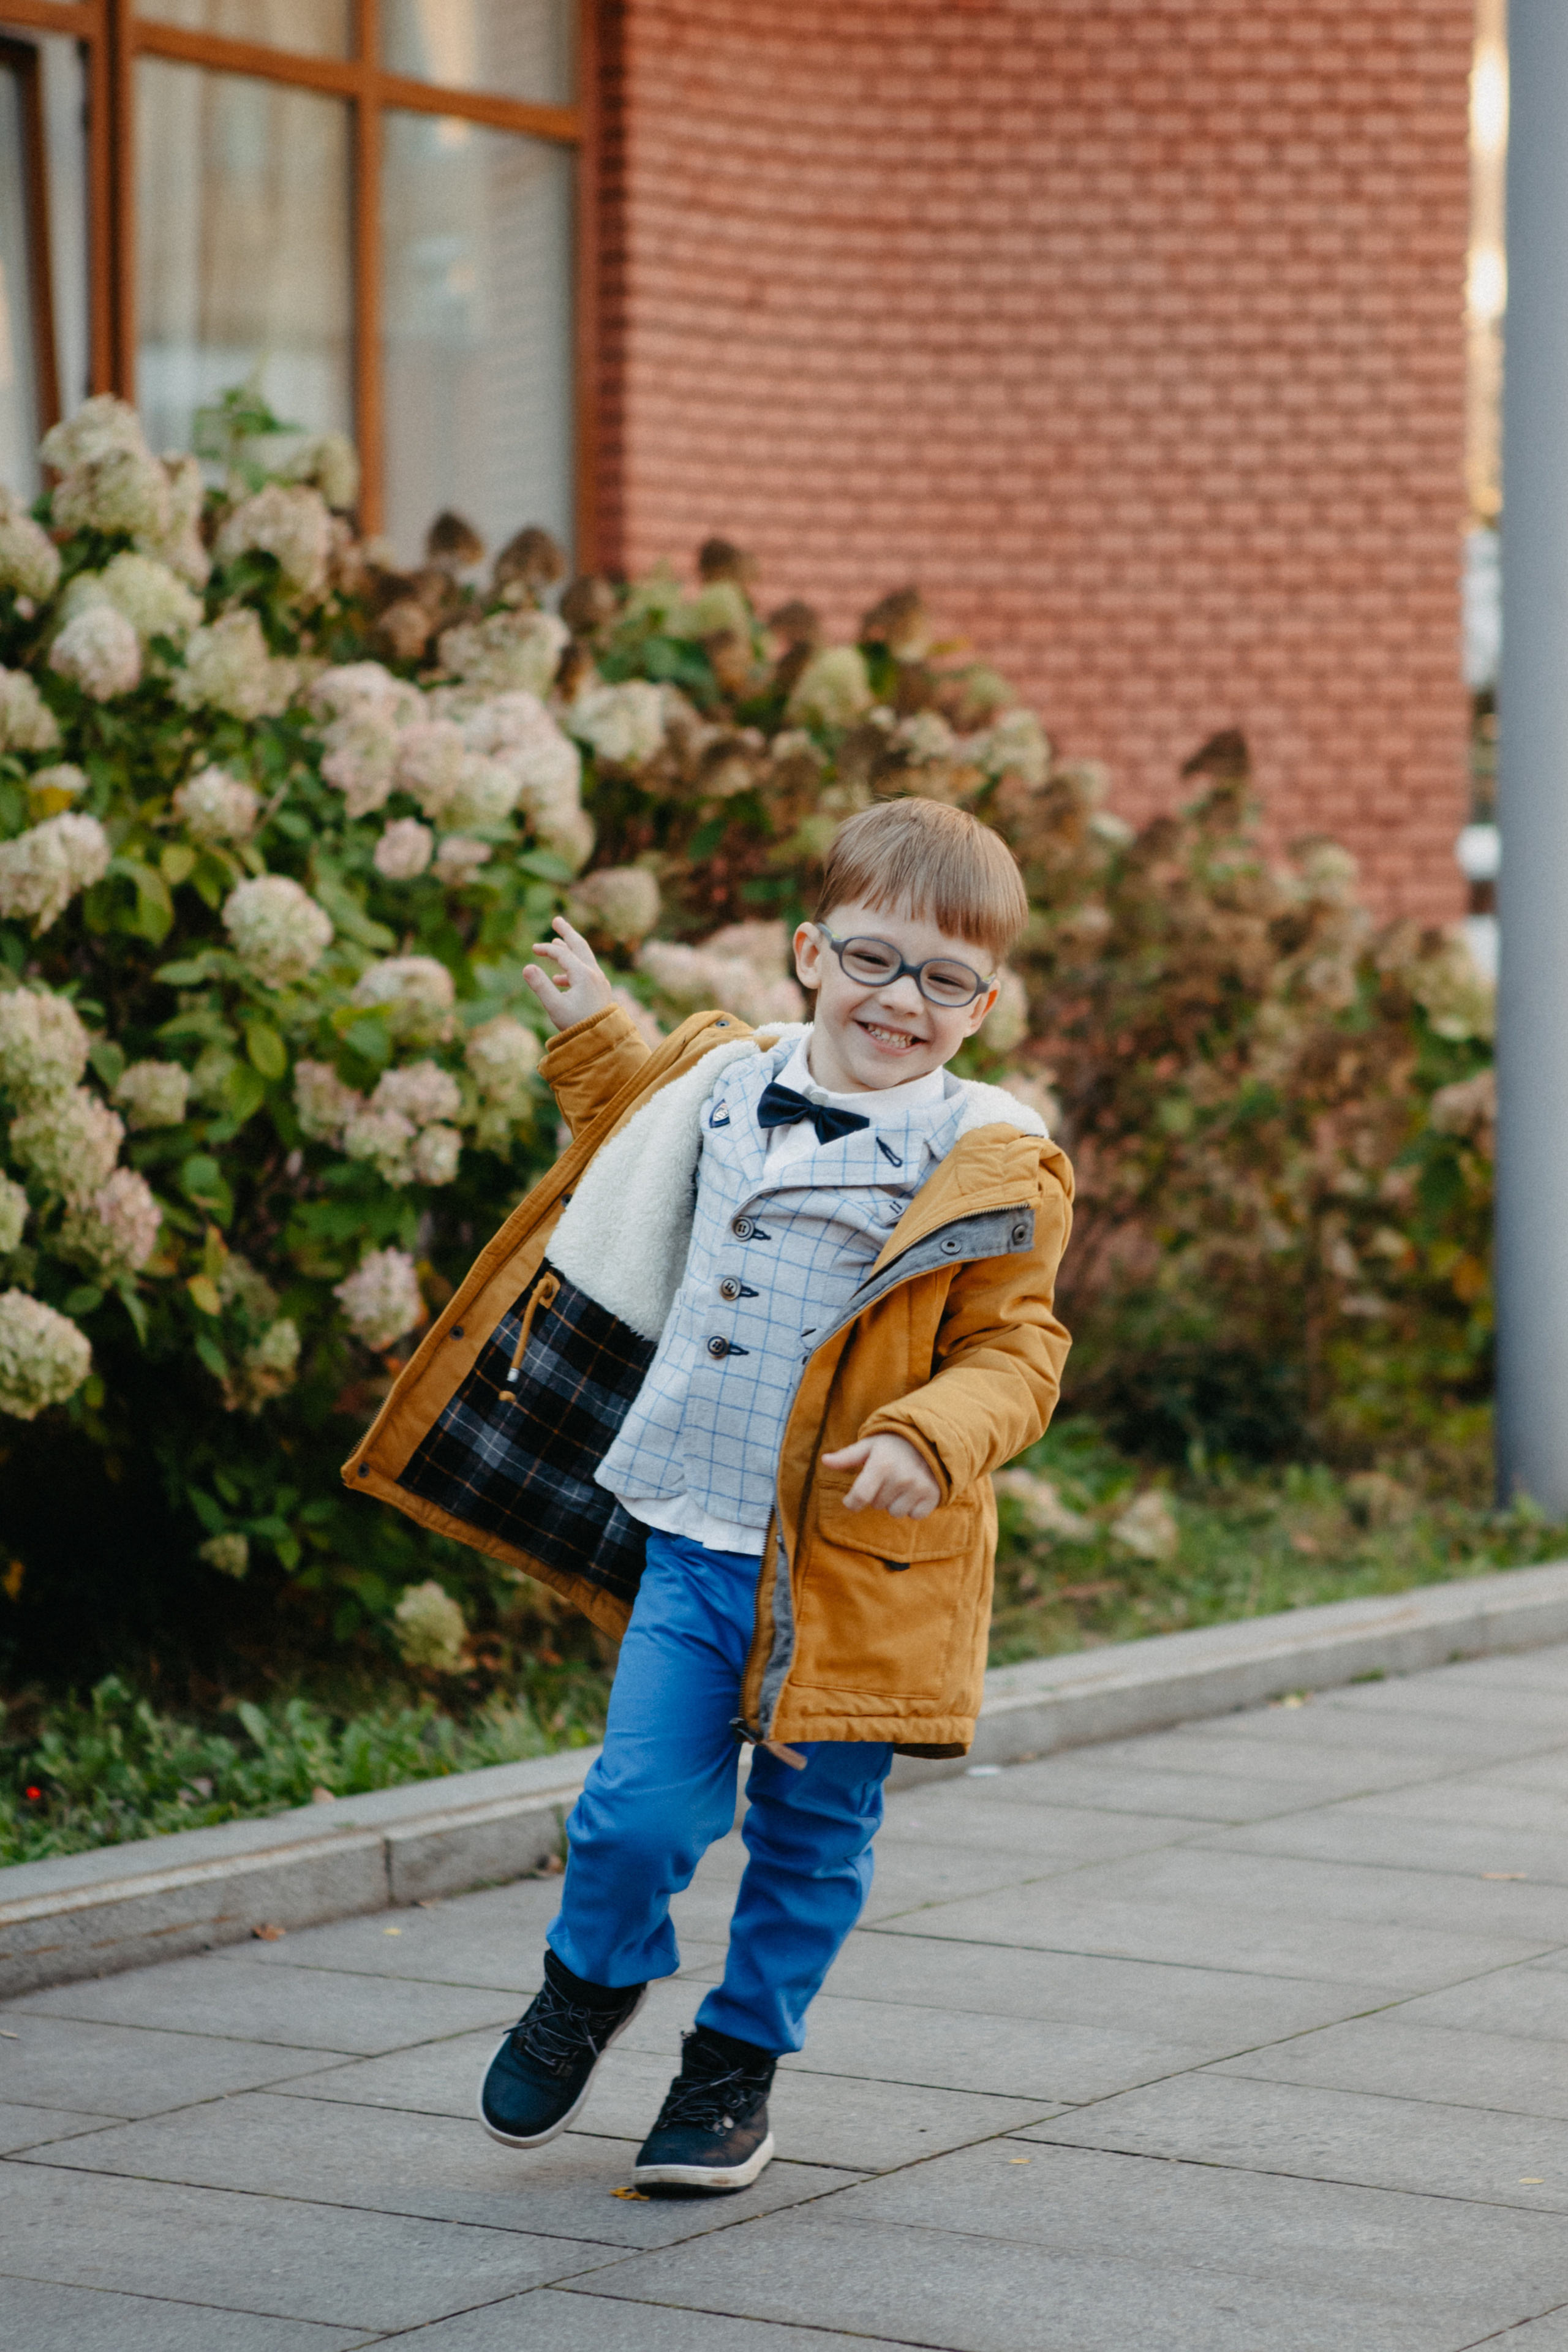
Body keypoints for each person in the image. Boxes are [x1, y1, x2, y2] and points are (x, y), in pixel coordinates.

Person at [344, 797, 1074, 2192]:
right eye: (871, 959)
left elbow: (1016, 1347)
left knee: (810, 1840)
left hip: (864, 1569)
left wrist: (932, 1432)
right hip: (694, 1536)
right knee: (633, 1813)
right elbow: (631, 1128)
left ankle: (734, 2066)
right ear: (809, 952)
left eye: (941, 978)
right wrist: (592, 1024)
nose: (898, 1000)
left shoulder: (989, 1165)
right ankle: (587, 1983)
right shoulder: (727, 1081)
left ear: (980, 1006)